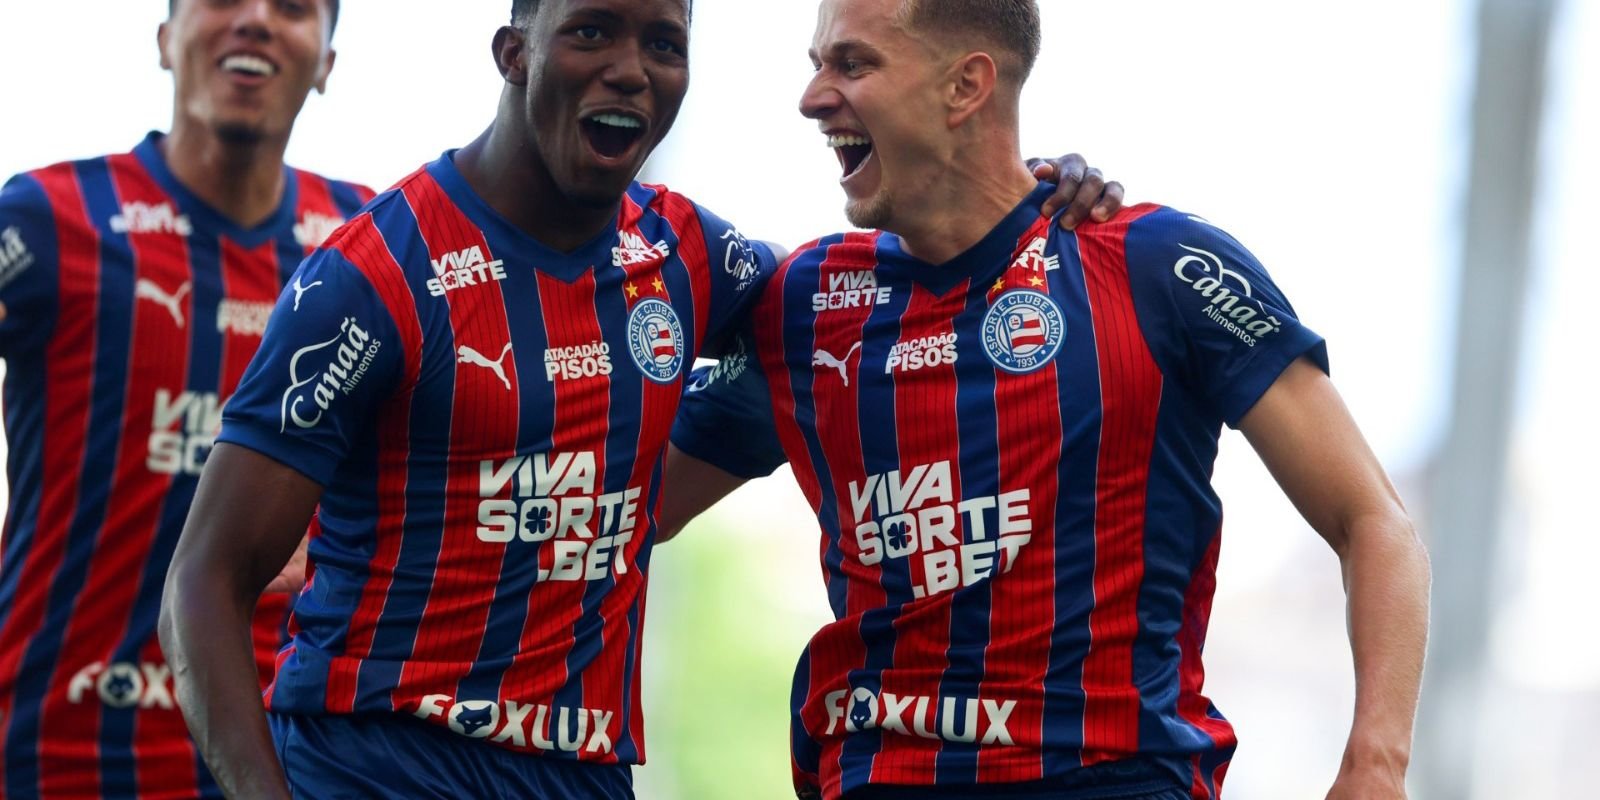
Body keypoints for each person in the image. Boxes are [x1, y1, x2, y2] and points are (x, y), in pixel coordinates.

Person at [156, 0, 1118, 797]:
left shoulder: (688, 253)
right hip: (376, 762)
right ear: (515, 54)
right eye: (591, 32)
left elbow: (871, 302)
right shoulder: (374, 273)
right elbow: (200, 585)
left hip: (583, 773)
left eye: (664, 43)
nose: (630, 70)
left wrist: (1030, 198)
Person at [663, 1, 1432, 798]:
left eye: (853, 65)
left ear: (966, 86)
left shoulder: (1159, 266)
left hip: (1110, 777)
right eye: (817, 64)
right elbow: (629, 514)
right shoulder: (807, 302)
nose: (813, 97)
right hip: (877, 774)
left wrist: (1375, 767)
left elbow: (1373, 522)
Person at [0, 1, 371, 797]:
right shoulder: (51, 219)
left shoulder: (367, 246)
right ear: (166, 39)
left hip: (283, 764)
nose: (256, 20)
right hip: (58, 754)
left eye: (293, 8)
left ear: (327, 62)